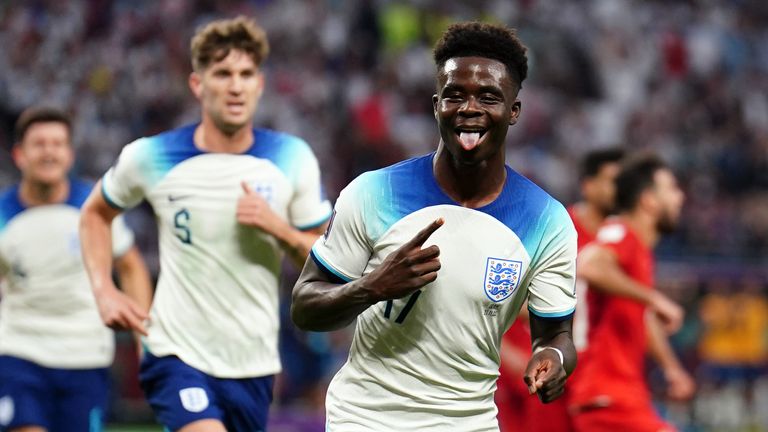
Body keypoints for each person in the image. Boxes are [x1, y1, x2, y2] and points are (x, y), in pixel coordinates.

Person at [292, 22, 578, 431]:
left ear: (514, 111)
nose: (469, 108)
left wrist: (554, 359)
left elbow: (555, 334)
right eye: (454, 95)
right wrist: (372, 286)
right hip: (366, 419)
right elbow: (305, 306)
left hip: (469, 422)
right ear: (436, 105)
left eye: (489, 97)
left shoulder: (547, 222)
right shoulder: (374, 193)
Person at [79, 16, 332, 432]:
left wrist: (278, 228)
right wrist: (104, 290)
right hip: (175, 353)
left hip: (252, 362)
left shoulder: (292, 157)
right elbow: (94, 214)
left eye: (246, 74)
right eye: (222, 73)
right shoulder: (151, 156)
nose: (235, 86)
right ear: (198, 84)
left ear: (259, 84)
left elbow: (327, 260)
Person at [0, 107, 152, 432]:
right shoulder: (2, 214)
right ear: (19, 154)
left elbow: (131, 267)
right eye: (39, 144)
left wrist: (145, 340)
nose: (49, 152)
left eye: (57, 144)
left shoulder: (95, 208)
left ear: (69, 154)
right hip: (18, 351)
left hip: (85, 355)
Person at [496, 148, 624, 432]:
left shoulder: (620, 238)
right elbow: (503, 298)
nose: (622, 190)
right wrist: (507, 352)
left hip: (591, 373)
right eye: (613, 181)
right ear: (588, 185)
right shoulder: (556, 231)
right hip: (538, 367)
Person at [568, 154, 695, 432]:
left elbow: (641, 317)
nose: (680, 197)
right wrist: (655, 298)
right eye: (671, 189)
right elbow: (588, 265)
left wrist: (671, 368)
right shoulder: (619, 232)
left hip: (618, 397)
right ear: (648, 200)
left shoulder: (638, 251)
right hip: (608, 398)